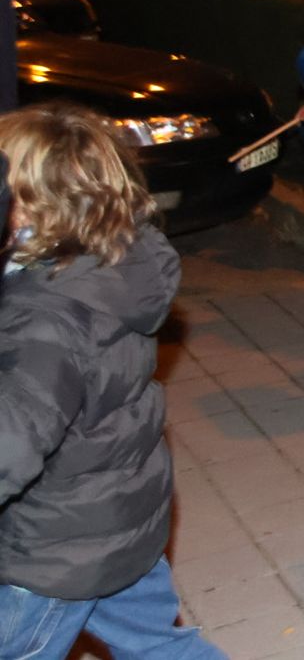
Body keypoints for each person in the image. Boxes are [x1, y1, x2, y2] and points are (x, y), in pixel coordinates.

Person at [0, 103, 224, 659]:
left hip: (49, 554)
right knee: (159, 648)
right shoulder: (108, 266)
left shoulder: (45, 318)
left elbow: (11, 440)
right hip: (116, 519)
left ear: (28, 207)